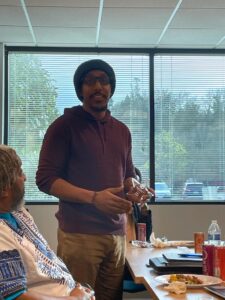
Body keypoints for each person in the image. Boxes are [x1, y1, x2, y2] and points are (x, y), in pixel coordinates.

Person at [36, 59, 152, 300]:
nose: (98, 86)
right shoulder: (63, 126)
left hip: (118, 236)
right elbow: (45, 179)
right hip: (79, 236)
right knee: (78, 297)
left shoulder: (122, 131)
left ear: (111, 88)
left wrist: (134, 188)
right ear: (80, 90)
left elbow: (127, 174)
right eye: (90, 82)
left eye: (104, 81)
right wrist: (93, 198)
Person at [0, 145, 95, 300]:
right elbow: (16, 297)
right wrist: (75, 298)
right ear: (4, 189)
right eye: (19, 172)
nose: (24, 177)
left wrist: (78, 289)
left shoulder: (18, 213)